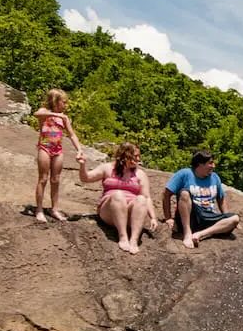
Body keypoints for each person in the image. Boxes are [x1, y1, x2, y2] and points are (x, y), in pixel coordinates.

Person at [77, 143, 156, 254]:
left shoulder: (140, 174)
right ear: (125, 156)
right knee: (118, 195)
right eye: (135, 156)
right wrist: (82, 165)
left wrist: (153, 217)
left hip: (130, 212)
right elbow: (86, 178)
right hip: (110, 210)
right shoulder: (107, 168)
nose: (138, 159)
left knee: (141, 199)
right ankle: (123, 236)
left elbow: (147, 197)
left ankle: (134, 240)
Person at [162, 149, 239, 248]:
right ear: (200, 164)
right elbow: (166, 194)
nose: (213, 166)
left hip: (209, 215)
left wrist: (226, 217)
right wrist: (168, 218)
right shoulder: (184, 174)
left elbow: (221, 199)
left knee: (235, 218)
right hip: (191, 215)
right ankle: (187, 233)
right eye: (210, 163)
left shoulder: (215, 177)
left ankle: (200, 234)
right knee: (184, 193)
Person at [33, 89, 83, 223]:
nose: (65, 105)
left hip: (57, 150)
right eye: (64, 102)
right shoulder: (44, 112)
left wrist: (79, 149)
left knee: (55, 179)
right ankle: (39, 209)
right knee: (43, 178)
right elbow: (36, 114)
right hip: (44, 148)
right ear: (55, 101)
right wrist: (57, 115)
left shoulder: (64, 117)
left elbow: (71, 134)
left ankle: (54, 208)